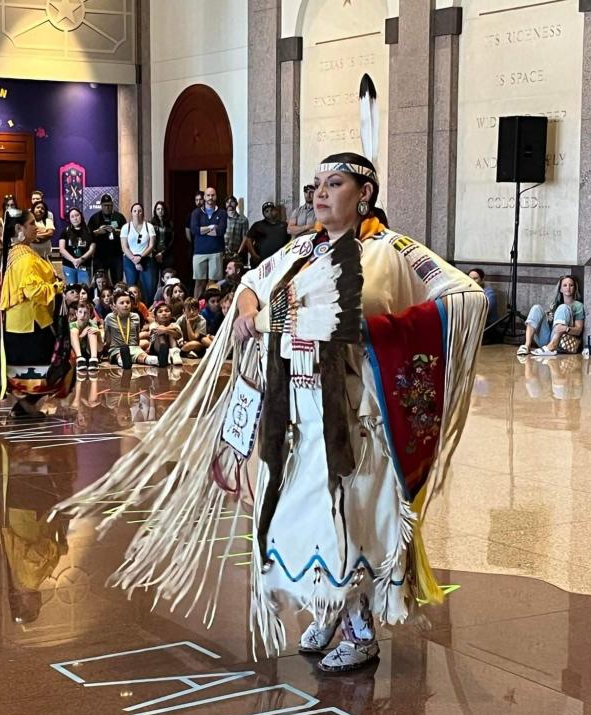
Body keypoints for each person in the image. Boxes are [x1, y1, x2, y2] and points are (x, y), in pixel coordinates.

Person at [52, 151, 487, 673]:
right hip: (296, 413)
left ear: (364, 194)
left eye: (335, 183)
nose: (320, 193)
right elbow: (251, 282)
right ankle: (326, 607)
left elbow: (466, 298)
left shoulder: (393, 251)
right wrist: (250, 310)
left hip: (355, 416)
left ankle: (361, 627)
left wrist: (381, 331)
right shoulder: (301, 249)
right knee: (298, 517)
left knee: (352, 516)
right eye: (316, 185)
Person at [0, 209, 70, 415]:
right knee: (51, 366)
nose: (36, 227)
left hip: (23, 322)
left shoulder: (15, 253)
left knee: (39, 369)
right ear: (19, 228)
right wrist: (57, 287)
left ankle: (24, 407)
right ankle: (26, 405)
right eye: (31, 224)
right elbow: (33, 290)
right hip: (30, 323)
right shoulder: (24, 258)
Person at [520, 275, 586, 356]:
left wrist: (566, 328)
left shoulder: (578, 305)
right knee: (536, 308)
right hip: (546, 340)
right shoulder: (555, 304)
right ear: (561, 289)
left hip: (561, 342)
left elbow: (579, 330)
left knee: (563, 308)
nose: (568, 287)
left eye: (571, 285)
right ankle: (527, 346)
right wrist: (548, 319)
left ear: (575, 288)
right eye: (565, 285)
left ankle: (552, 346)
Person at [189, 187, 227, 299]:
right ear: (204, 197)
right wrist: (211, 227)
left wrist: (203, 230)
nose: (210, 198)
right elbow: (195, 230)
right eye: (208, 195)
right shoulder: (196, 213)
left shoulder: (222, 213)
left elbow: (220, 231)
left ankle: (210, 305)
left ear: (216, 196)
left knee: (213, 283)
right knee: (199, 282)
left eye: (213, 195)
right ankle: (195, 306)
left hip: (216, 251)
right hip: (199, 252)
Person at [103, 290, 153, 368]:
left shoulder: (136, 317)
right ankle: (124, 362)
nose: (125, 305)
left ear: (131, 304)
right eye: (122, 303)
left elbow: (137, 338)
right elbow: (108, 338)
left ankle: (157, 360)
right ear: (115, 306)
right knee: (119, 356)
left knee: (142, 356)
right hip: (116, 348)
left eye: (128, 302)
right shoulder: (109, 318)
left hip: (133, 347)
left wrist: (137, 347)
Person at [120, 203, 158, 297]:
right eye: (135, 211)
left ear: (143, 213)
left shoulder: (149, 227)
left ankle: (148, 308)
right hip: (130, 259)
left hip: (146, 258)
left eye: (139, 211)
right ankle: (132, 308)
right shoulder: (126, 227)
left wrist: (140, 257)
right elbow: (124, 247)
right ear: (131, 213)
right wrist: (134, 259)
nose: (137, 213)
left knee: (149, 287)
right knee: (132, 286)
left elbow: (151, 245)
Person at [88, 195, 126, 284]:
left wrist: (116, 231)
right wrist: (97, 232)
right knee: (99, 281)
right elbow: (88, 235)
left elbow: (126, 232)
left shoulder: (119, 217)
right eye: (105, 205)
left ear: (112, 205)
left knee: (117, 280)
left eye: (109, 205)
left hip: (116, 254)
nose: (107, 207)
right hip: (100, 255)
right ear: (101, 205)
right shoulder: (94, 218)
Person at [243, 202, 290, 266]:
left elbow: (291, 240)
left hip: (279, 262)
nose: (269, 212)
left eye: (272, 210)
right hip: (261, 263)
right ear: (263, 214)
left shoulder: (284, 225)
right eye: (266, 211)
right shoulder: (257, 225)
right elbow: (248, 240)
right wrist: (254, 255)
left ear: (276, 211)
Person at [59, 208, 95, 285]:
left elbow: (92, 248)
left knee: (84, 289)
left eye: (77, 215)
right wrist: (73, 260)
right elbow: (62, 249)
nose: (75, 218)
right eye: (72, 216)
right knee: (71, 289)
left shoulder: (89, 231)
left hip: (84, 265)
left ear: (81, 216)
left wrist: (80, 260)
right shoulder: (65, 231)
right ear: (69, 219)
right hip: (69, 266)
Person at [144, 302, 181, 366]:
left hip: (172, 347)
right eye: (160, 312)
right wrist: (165, 330)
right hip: (157, 349)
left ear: (171, 315)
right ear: (155, 317)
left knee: (170, 333)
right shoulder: (153, 325)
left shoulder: (175, 324)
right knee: (160, 333)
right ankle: (163, 354)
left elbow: (178, 335)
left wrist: (166, 330)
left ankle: (174, 354)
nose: (164, 313)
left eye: (167, 311)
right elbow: (157, 330)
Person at [69, 301, 102, 375]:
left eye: (85, 313)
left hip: (89, 354)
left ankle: (94, 360)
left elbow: (100, 349)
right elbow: (69, 347)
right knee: (74, 331)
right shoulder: (72, 325)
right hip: (76, 355)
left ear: (89, 315)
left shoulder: (92, 324)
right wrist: (82, 335)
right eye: (80, 312)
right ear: (76, 314)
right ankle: (79, 359)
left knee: (91, 331)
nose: (82, 315)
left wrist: (99, 334)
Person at [151, 201, 175, 271]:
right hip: (154, 254)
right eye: (158, 209)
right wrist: (156, 253)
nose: (160, 211)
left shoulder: (170, 223)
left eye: (162, 209)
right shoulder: (151, 223)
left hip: (167, 253)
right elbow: (149, 240)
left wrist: (162, 254)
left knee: (167, 276)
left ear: (165, 211)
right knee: (153, 279)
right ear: (155, 211)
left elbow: (172, 240)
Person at [224, 196, 248, 264]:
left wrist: (238, 252)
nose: (229, 204)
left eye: (232, 202)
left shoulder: (243, 220)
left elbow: (245, 238)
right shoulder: (221, 218)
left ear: (236, 204)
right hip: (222, 253)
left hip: (236, 254)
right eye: (227, 202)